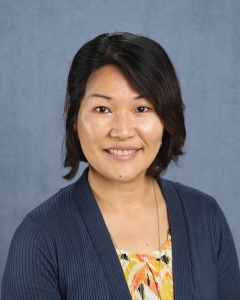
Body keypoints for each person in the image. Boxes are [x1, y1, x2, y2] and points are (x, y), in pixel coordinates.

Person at [1, 32, 240, 300]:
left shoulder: (206, 218)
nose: (123, 131)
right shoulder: (40, 238)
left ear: (166, 118)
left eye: (142, 108)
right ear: (74, 119)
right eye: (103, 109)